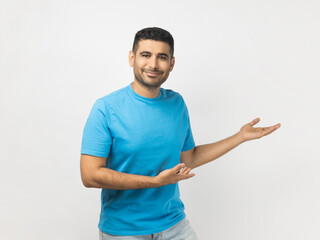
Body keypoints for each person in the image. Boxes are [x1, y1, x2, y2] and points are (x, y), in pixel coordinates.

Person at [80, 27, 280, 240]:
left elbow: (189, 158)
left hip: (173, 224)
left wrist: (239, 137)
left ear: (171, 64)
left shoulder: (176, 103)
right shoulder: (105, 108)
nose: (153, 64)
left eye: (162, 57)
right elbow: (90, 175)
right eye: (146, 55)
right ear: (132, 58)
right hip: (124, 230)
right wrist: (153, 182)